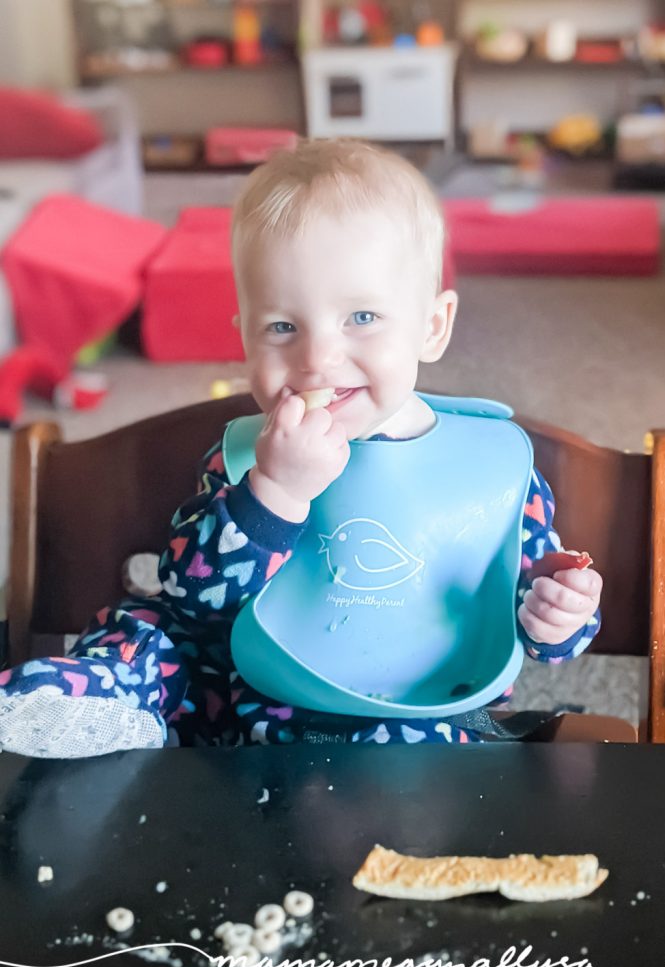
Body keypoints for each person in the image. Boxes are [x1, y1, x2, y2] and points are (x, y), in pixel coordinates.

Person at [0, 139, 602, 758]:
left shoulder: (491, 464)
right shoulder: (250, 455)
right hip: (241, 703)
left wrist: (559, 614)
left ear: (431, 327)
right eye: (282, 327)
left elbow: (539, 628)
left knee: (420, 751)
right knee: (148, 630)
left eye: (361, 317)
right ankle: (82, 708)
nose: (316, 359)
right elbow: (197, 598)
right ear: (244, 339)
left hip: (411, 706)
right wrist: (274, 493)